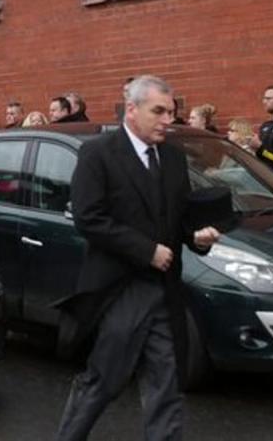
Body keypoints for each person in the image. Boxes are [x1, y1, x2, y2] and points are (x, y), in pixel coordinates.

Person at [56, 75, 221, 441]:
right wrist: (146, 250)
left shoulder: (174, 157)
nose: (167, 120)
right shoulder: (98, 153)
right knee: (103, 381)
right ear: (132, 110)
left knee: (167, 384)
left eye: (171, 112)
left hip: (165, 292)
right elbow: (89, 218)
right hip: (120, 289)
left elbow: (177, 219)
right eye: (158, 111)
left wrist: (197, 237)